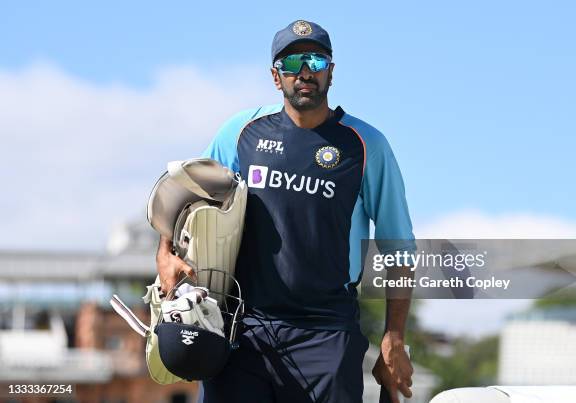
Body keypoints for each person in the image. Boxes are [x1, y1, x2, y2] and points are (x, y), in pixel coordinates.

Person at [156, 19, 415, 403]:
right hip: (243, 329)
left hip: (328, 334)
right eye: (292, 63)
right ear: (276, 77)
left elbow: (399, 249)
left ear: (332, 71)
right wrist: (165, 253)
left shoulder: (367, 145)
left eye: (315, 60)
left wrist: (394, 337)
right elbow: (190, 192)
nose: (305, 72)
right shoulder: (240, 132)